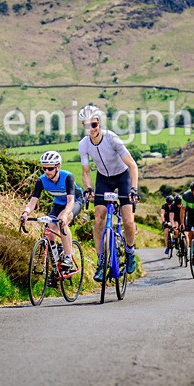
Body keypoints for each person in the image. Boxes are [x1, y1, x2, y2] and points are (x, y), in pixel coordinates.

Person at [77, 104, 140, 281]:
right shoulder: (84, 145)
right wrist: (89, 188)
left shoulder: (112, 138)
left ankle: (129, 252)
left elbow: (132, 165)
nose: (91, 129)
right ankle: (100, 261)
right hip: (103, 178)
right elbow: (86, 171)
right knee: (99, 219)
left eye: (94, 124)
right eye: (87, 125)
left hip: (122, 177)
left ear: (99, 123)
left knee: (128, 221)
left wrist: (133, 189)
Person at [20, 150, 84, 271]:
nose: (46, 172)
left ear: (58, 167)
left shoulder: (67, 177)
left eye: (50, 168)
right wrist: (25, 213)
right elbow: (32, 202)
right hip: (58, 203)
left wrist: (65, 215)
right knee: (49, 233)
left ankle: (68, 257)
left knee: (61, 222)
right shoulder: (41, 180)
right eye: (44, 169)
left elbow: (70, 202)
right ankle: (55, 267)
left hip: (75, 201)